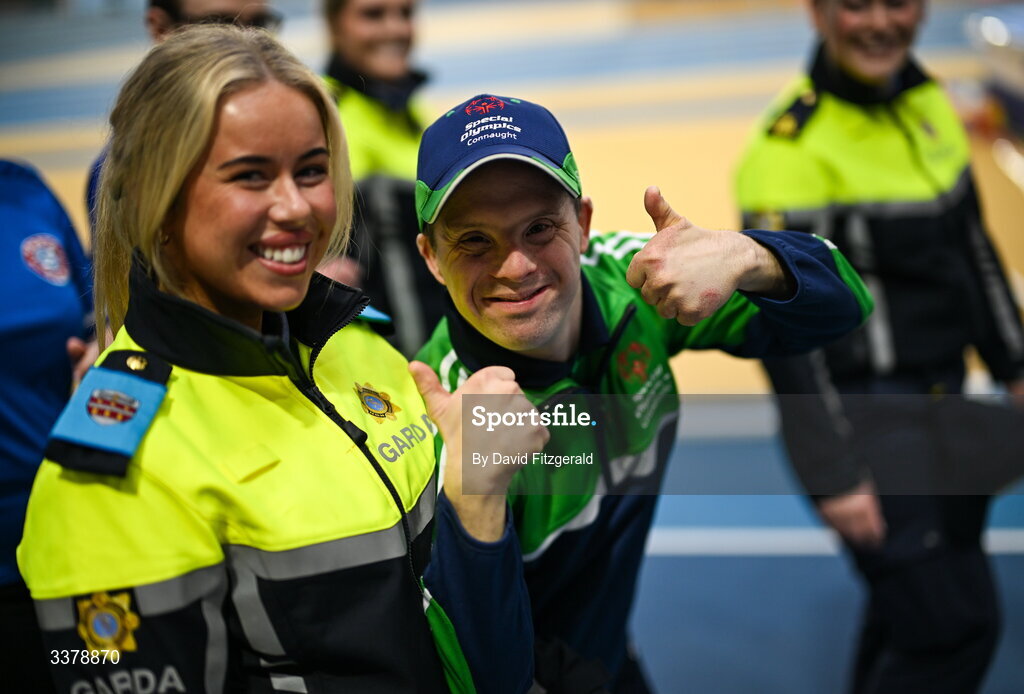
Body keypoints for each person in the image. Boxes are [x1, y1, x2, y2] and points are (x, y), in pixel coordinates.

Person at [19, 26, 537, 694]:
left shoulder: (358, 346)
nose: (296, 207)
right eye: (250, 176)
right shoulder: (112, 471)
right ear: (159, 200)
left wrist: (479, 494)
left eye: (312, 170)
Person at [410, 92, 874, 693]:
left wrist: (747, 254)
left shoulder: (633, 284)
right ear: (431, 257)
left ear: (581, 224)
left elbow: (845, 307)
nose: (516, 267)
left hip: (608, 658)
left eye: (540, 228)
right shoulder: (441, 427)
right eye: (474, 240)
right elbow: (481, 678)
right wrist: (475, 501)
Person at [735, 1, 1024, 692]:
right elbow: (787, 333)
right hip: (870, 425)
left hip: (947, 406)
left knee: (909, 620)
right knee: (953, 625)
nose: (878, 23)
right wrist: (831, 470)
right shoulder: (785, 152)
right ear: (818, 13)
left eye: (897, 2)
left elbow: (973, 251)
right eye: (855, 4)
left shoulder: (928, 105)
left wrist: (1016, 366)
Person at [0, 159, 95, 692]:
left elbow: (90, 316)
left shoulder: (22, 187)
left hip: (71, 549)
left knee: (96, 671)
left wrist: (100, 352)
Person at [86, 0, 284, 230]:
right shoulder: (127, 172)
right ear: (161, 29)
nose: (247, 42)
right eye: (218, 25)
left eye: (260, 24)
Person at [319, 0, 444, 355]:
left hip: (439, 357)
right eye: (373, 15)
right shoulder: (318, 111)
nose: (395, 29)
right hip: (367, 369)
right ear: (334, 24)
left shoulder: (417, 115)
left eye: (405, 13)